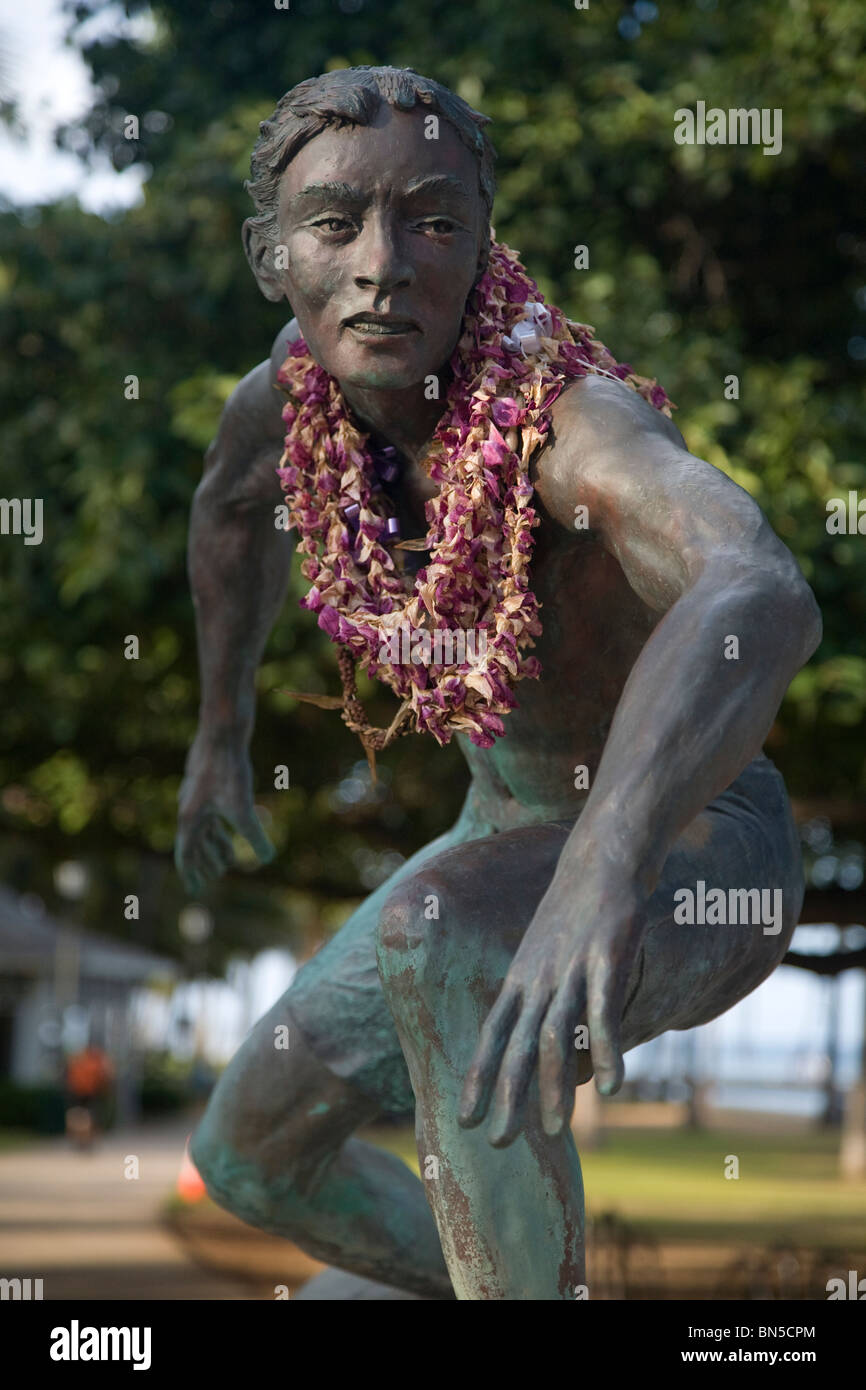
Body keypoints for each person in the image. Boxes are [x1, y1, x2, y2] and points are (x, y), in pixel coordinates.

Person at [175, 66, 821, 1299]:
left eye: (428, 221)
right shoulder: (291, 401)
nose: (380, 263)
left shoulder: (569, 423)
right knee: (251, 1155)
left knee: (443, 938)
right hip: (506, 830)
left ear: (481, 245)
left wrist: (600, 864)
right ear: (274, 259)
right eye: (332, 224)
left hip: (698, 835)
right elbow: (226, 512)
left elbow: (758, 592)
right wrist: (219, 730)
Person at [65, 1042, 114, 1150]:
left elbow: (69, 1077)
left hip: (79, 1093)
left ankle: (80, 1138)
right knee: (90, 1117)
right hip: (91, 1093)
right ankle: (86, 1139)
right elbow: (105, 1078)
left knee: (79, 1116)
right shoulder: (97, 1062)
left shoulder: (77, 1061)